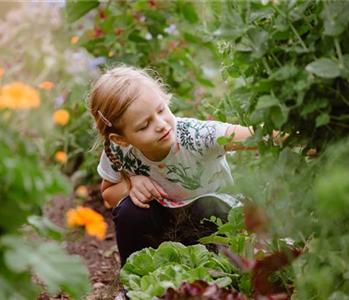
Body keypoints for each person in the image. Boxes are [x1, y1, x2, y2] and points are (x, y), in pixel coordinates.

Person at [88, 65, 254, 267]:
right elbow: (108, 194)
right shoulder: (117, 150)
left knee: (209, 207)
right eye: (144, 125)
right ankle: (136, 280)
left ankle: (222, 275)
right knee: (129, 212)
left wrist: (298, 138)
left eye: (161, 110)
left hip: (214, 226)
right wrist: (131, 185)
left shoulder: (194, 136)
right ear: (121, 139)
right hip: (165, 231)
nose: (161, 124)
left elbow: (253, 136)